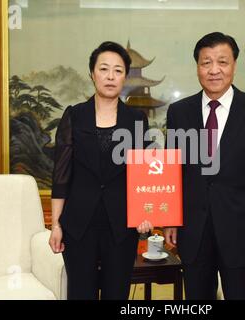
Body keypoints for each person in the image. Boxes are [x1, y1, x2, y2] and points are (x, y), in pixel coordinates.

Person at [164, 32, 245, 300]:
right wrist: (169, 220)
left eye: (222, 62)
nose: (214, 70)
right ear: (197, 67)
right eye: (206, 62)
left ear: (234, 65)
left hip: (241, 230)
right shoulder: (179, 112)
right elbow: (173, 171)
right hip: (193, 230)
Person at [48, 41, 153, 300]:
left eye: (118, 71)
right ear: (92, 74)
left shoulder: (137, 120)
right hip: (78, 224)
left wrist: (145, 214)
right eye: (103, 69)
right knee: (80, 293)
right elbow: (61, 175)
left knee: (116, 294)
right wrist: (56, 224)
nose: (110, 76)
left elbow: (144, 174)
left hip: (121, 226)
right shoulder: (74, 115)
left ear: (125, 77)